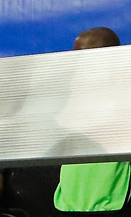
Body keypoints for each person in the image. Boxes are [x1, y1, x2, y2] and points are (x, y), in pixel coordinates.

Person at [54, 27, 129, 212]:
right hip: (67, 203)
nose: (74, 62)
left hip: (112, 204)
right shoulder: (68, 99)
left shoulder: (125, 97)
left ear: (108, 58)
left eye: (81, 55)